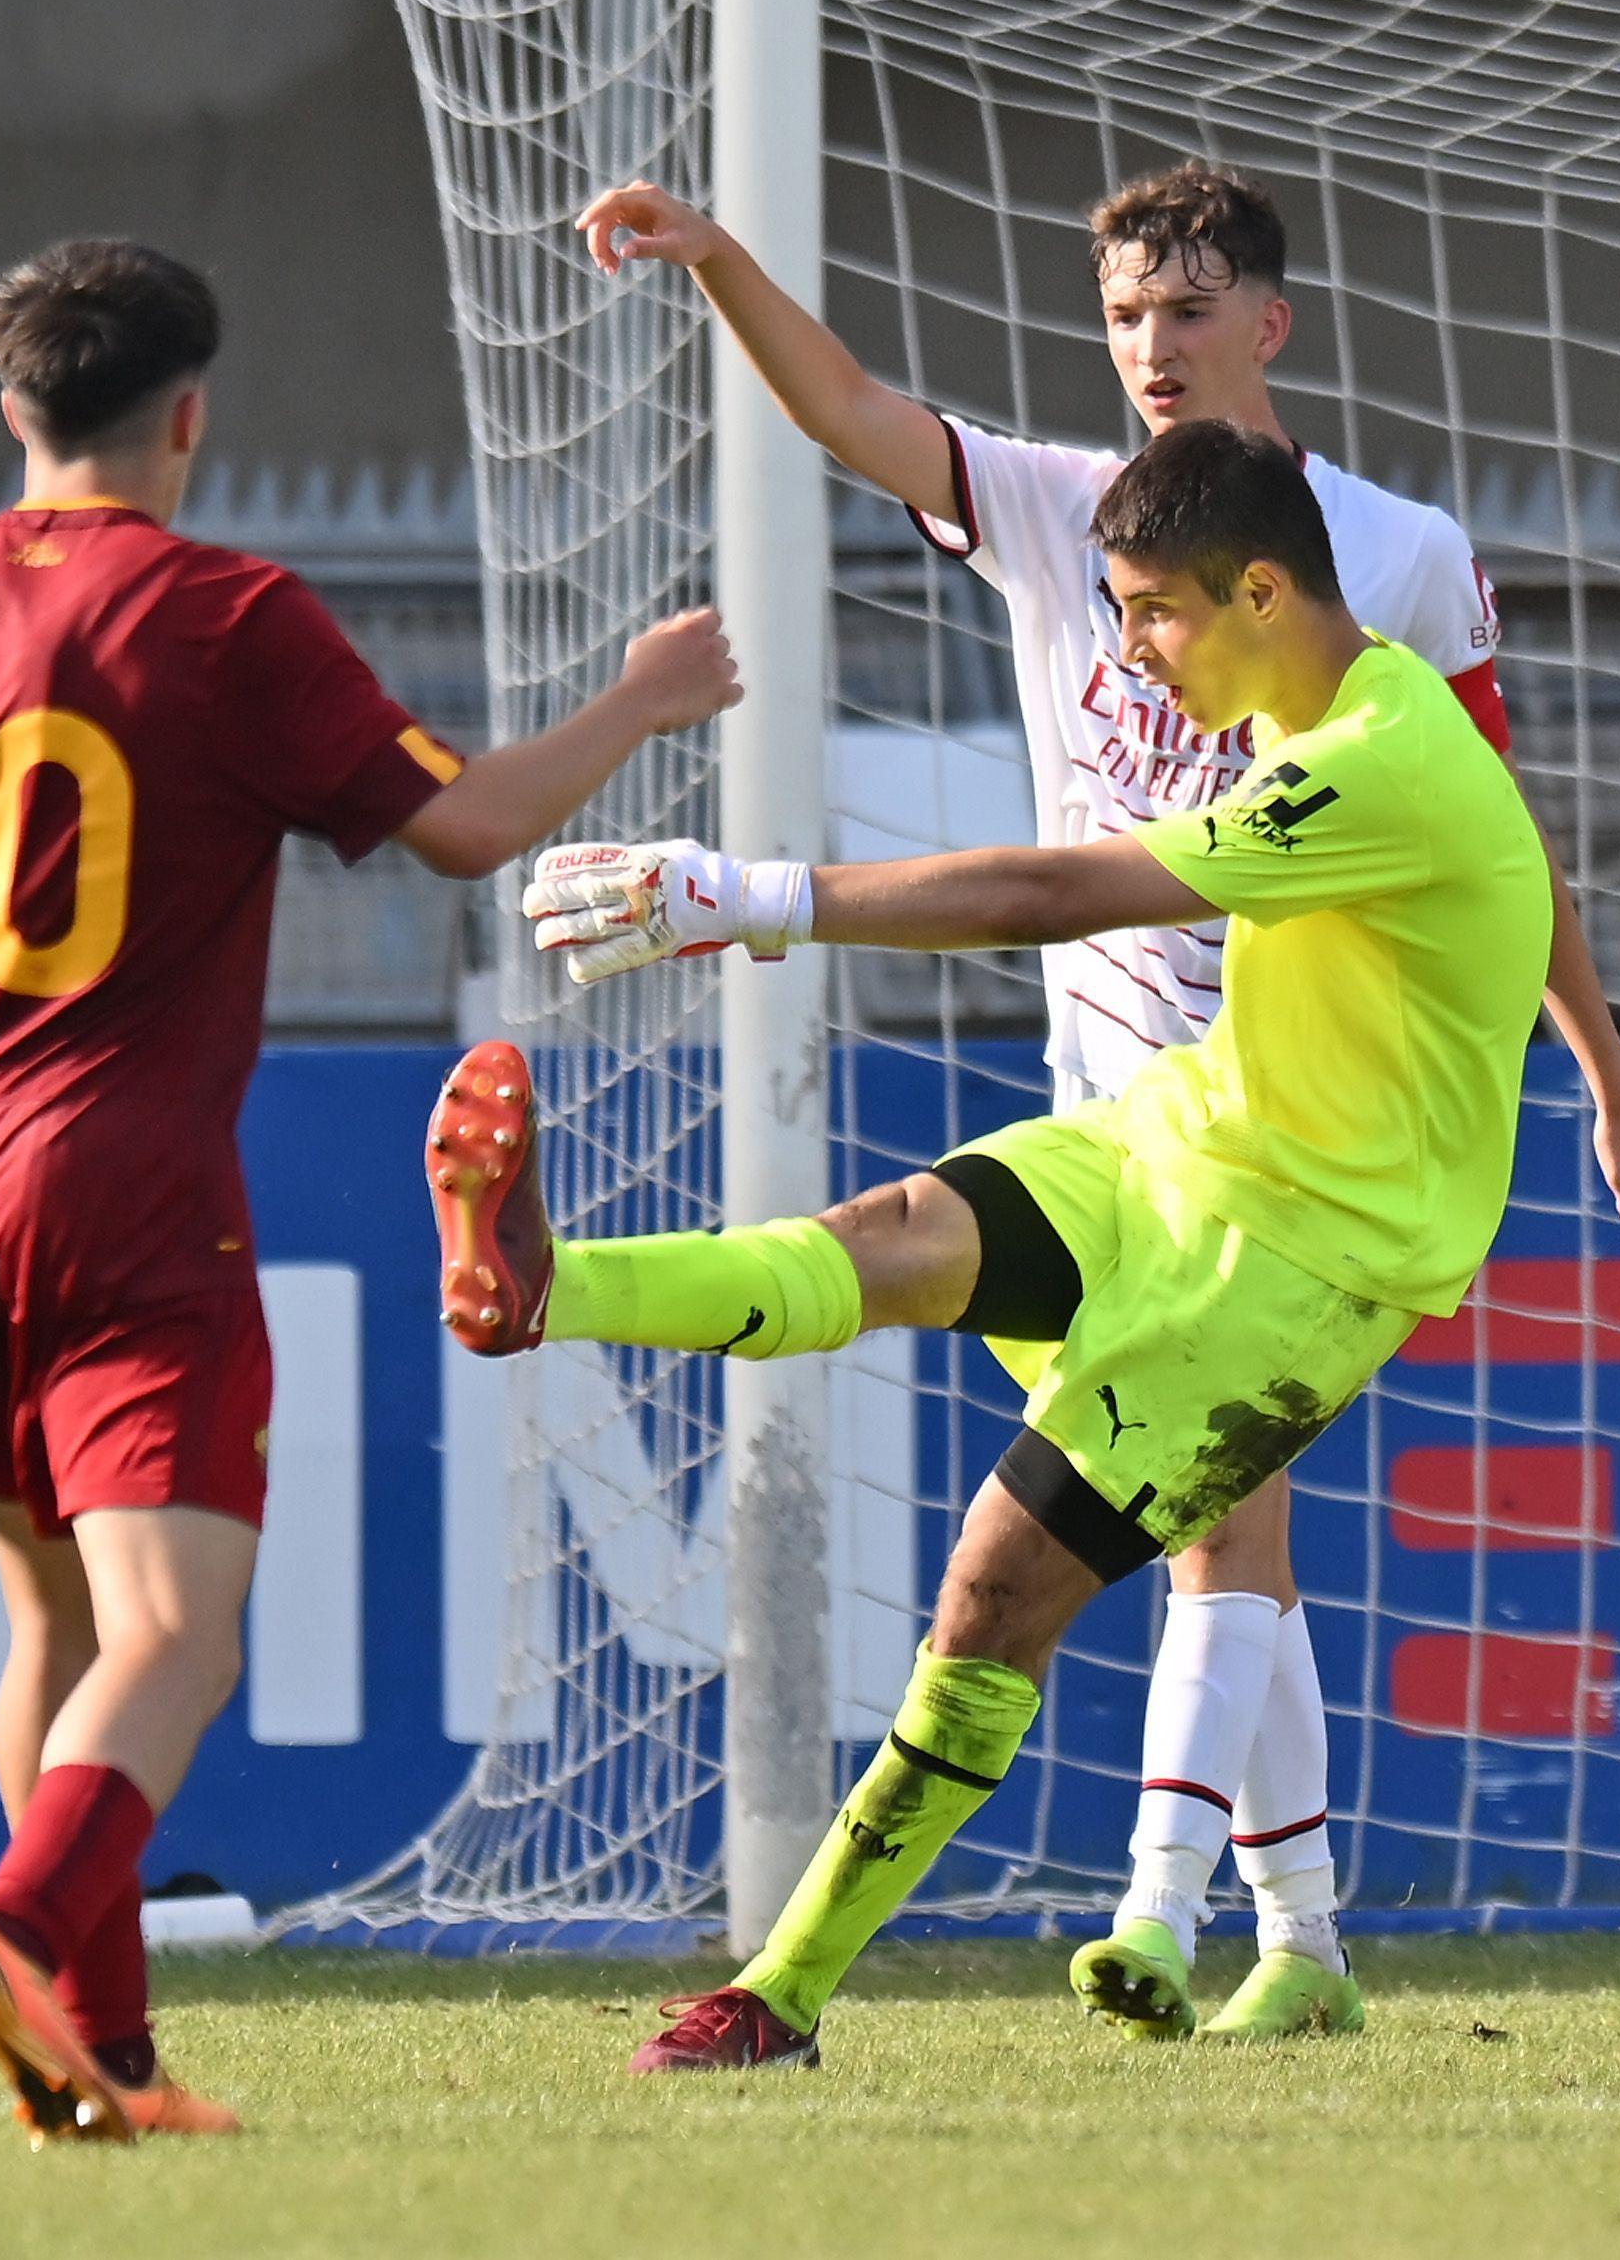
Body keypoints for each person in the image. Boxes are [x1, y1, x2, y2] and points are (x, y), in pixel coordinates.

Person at [574, 160, 1620, 2039]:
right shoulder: (1051, 504)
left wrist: (1607, 1078)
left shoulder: (1391, 558)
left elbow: (1505, 840)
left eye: (1185, 309)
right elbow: (855, 415)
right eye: (1120, 314)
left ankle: (1164, 1924)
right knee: (1194, 1516)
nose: (1149, 348)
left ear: (1270, 318)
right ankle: (1306, 1943)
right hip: (1108, 1101)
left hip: (1288, 1137)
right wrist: (719, 268)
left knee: (1205, 1532)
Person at [0, 236, 740, 2140]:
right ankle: (19, 1929)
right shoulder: (222, 617)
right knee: (181, 1637)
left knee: (61, 1631)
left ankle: (104, 2062)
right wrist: (640, 700)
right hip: (122, 1188)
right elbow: (466, 828)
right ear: (188, 415)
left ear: (14, 406)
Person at [433, 422, 1549, 2071]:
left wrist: (753, 895)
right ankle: (543, 1287)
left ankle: (781, 1993)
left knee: (990, 1595)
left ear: (1260, 587)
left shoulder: (1373, 761)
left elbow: (1055, 889)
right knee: (883, 1236)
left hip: (1306, 1263)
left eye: (1152, 611)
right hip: (1192, 1142)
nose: (1131, 649)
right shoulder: (1308, 713)